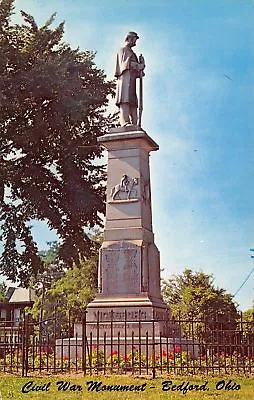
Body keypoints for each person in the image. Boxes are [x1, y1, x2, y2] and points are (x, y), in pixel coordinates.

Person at [115, 32, 145, 127]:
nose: (135, 41)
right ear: (130, 38)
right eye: (135, 39)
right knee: (125, 99)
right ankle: (125, 121)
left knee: (132, 100)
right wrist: (139, 65)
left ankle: (135, 123)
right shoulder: (123, 50)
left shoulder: (132, 53)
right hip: (125, 79)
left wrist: (141, 66)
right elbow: (125, 64)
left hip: (131, 80)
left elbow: (137, 71)